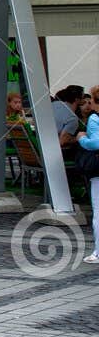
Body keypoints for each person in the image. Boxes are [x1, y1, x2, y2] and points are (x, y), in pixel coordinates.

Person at [78, 87, 99, 267]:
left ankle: (98, 252)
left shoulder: (94, 118)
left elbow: (95, 143)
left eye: (91, 99)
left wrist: (81, 138)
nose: (90, 102)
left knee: (98, 210)